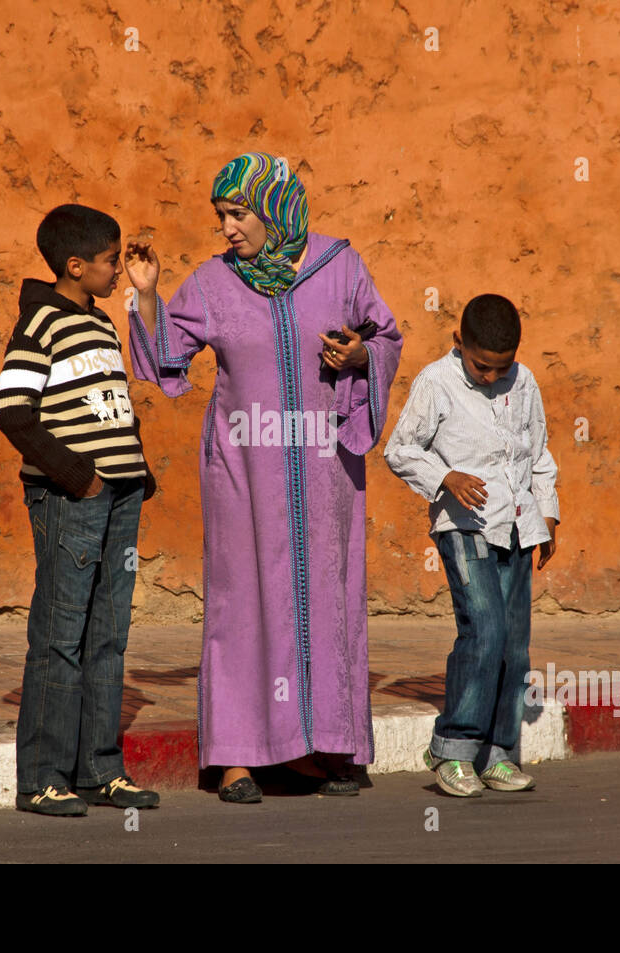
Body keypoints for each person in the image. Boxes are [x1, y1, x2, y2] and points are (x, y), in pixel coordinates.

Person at [123, 152, 402, 802]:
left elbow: (385, 335)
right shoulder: (215, 282)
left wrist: (361, 353)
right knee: (243, 601)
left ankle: (323, 745)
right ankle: (237, 758)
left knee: (326, 598)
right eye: (221, 215)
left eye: (238, 213)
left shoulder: (340, 266)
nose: (228, 228)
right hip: (243, 473)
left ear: (274, 209)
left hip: (326, 471)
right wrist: (145, 296)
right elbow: (169, 356)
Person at [0, 203, 160, 816]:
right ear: (75, 265)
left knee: (109, 637)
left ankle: (98, 769)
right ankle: (41, 776)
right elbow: (13, 411)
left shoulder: (101, 324)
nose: (118, 270)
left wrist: (135, 478)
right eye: (111, 261)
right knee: (60, 636)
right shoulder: (41, 323)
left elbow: (112, 407)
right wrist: (77, 477)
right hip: (72, 499)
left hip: (119, 500)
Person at [383, 293, 560, 797]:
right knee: (483, 631)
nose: (490, 377)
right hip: (465, 527)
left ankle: (497, 753)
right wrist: (446, 477)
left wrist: (546, 512)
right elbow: (401, 449)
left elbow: (538, 451)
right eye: (482, 366)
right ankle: (452, 748)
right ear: (459, 343)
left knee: (513, 644)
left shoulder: (523, 383)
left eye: (500, 368)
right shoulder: (436, 384)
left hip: (518, 527)